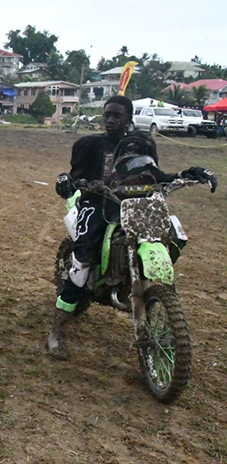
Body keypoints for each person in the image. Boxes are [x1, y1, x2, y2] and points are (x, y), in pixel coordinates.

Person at [49, 96, 218, 360]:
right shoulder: (89, 144)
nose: (110, 120)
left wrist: (190, 173)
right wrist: (66, 180)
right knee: (82, 260)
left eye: (116, 115)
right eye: (107, 115)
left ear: (129, 117)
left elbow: (156, 175)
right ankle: (57, 330)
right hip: (98, 204)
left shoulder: (142, 144)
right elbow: (74, 175)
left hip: (136, 205)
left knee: (171, 234)